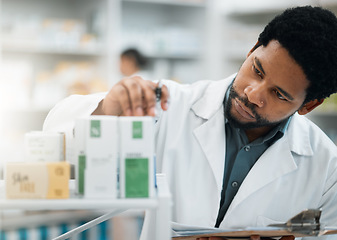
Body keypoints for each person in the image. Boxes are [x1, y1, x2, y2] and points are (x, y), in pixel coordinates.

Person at [43, 6, 337, 240]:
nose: (252, 94)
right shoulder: (166, 105)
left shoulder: (326, 168)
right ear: (252, 49)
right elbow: (56, 147)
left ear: (308, 105)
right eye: (256, 71)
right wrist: (107, 111)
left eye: (278, 94)